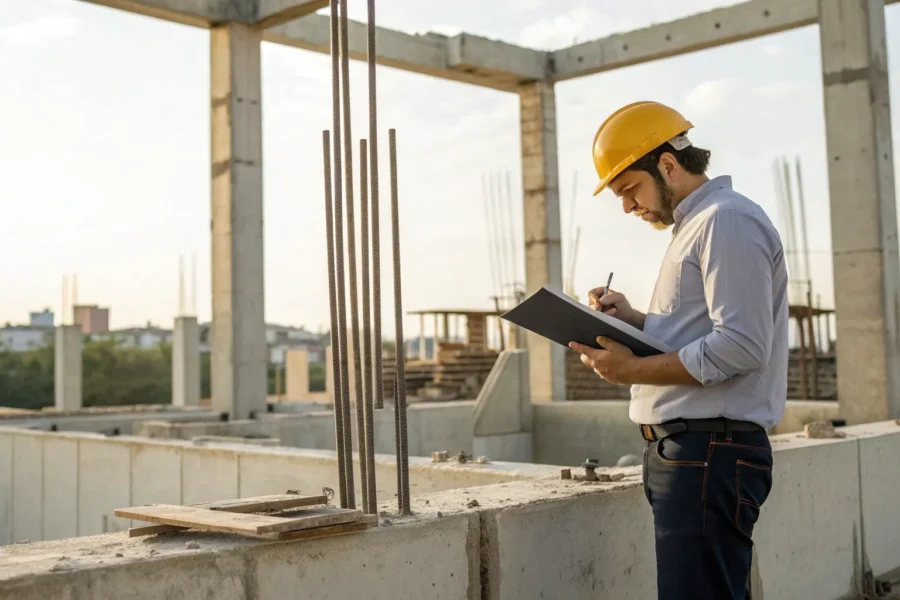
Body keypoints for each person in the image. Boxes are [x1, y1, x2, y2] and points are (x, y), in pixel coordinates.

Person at [567, 101, 789, 600]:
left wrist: (632, 369)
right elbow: (706, 333)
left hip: (708, 451)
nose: (627, 206)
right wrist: (637, 322)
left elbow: (740, 346)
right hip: (693, 453)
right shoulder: (698, 225)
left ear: (667, 164)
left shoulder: (725, 221)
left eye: (630, 190)